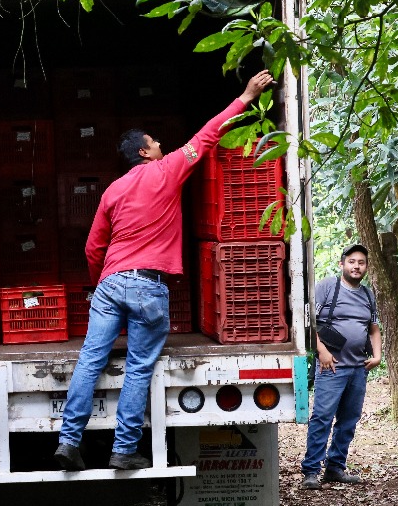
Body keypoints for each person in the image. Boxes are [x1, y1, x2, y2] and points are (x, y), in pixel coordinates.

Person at [53, 69, 276, 471]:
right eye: (155, 143)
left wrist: (99, 282)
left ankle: (69, 441)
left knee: (90, 360)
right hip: (148, 286)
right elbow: (207, 135)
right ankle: (123, 449)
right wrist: (245, 95)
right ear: (145, 152)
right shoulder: (169, 169)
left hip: (109, 284)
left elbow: (92, 247)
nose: (161, 145)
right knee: (139, 366)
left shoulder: (112, 190)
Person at [300, 243, 382, 490]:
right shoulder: (328, 286)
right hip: (331, 366)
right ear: (342, 264)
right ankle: (311, 471)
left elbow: (373, 328)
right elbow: (308, 321)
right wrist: (321, 351)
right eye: (352, 262)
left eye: (361, 262)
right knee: (322, 417)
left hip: (358, 367)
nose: (356, 266)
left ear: (366, 266)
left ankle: (335, 468)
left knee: (348, 420)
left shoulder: (368, 294)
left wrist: (377, 356)